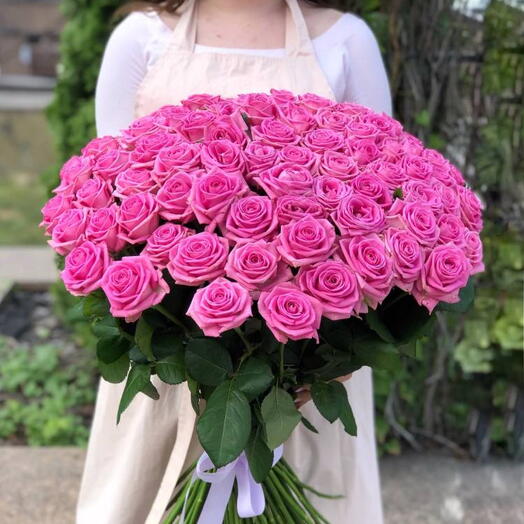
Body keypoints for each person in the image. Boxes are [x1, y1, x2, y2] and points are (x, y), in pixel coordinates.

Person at [77, 1, 391, 522]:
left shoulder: (345, 41)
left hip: (311, 368)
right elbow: (107, 199)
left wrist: (327, 363)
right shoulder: (142, 40)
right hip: (167, 357)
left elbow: (382, 204)